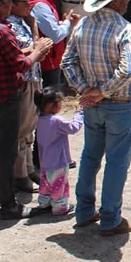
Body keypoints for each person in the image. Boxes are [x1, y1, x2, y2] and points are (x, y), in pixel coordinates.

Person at [61, 0, 131, 235]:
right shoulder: (124, 29)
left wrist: (86, 90)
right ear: (117, 0)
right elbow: (128, 70)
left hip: (94, 106)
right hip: (119, 104)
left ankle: (85, 211)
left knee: (90, 156)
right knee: (117, 161)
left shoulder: (83, 26)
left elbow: (67, 62)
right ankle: (110, 217)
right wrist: (102, 91)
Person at [0, 0, 52, 219]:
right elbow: (20, 64)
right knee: (6, 152)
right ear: (0, 4)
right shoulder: (2, 30)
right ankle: (9, 205)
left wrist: (30, 50)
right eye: (8, 2)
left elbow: (12, 55)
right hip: (6, 96)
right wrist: (38, 52)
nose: (11, 5)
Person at [7, 0, 43, 190]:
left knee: (30, 127)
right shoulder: (11, 26)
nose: (28, 5)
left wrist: (34, 25)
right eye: (24, 3)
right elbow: (28, 50)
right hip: (24, 79)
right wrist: (37, 48)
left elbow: (38, 46)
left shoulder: (24, 23)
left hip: (34, 76)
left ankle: (29, 169)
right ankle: (20, 175)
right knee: (23, 128)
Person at [26, 0, 81, 89]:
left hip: (49, 59)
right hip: (48, 61)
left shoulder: (39, 0)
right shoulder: (39, 4)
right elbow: (55, 35)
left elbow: (49, 28)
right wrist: (68, 23)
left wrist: (65, 23)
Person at [33, 88, 84, 217]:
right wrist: (80, 114)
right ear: (52, 105)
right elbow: (73, 128)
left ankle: (44, 203)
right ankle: (59, 207)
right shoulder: (56, 121)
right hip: (59, 161)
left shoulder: (40, 119)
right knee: (59, 185)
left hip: (45, 161)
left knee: (45, 184)